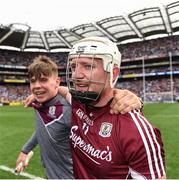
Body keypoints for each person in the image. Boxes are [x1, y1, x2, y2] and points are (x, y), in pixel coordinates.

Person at [16, 55, 142, 179]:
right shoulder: (39, 103)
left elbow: (106, 116)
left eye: (43, 80)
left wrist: (131, 100)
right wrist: (25, 150)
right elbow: (43, 128)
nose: (37, 85)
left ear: (57, 82)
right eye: (33, 81)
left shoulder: (70, 110)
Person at [66, 36, 166, 179]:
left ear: (113, 73)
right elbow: (61, 90)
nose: (76, 75)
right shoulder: (77, 101)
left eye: (88, 66)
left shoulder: (135, 131)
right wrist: (40, 94)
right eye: (74, 66)